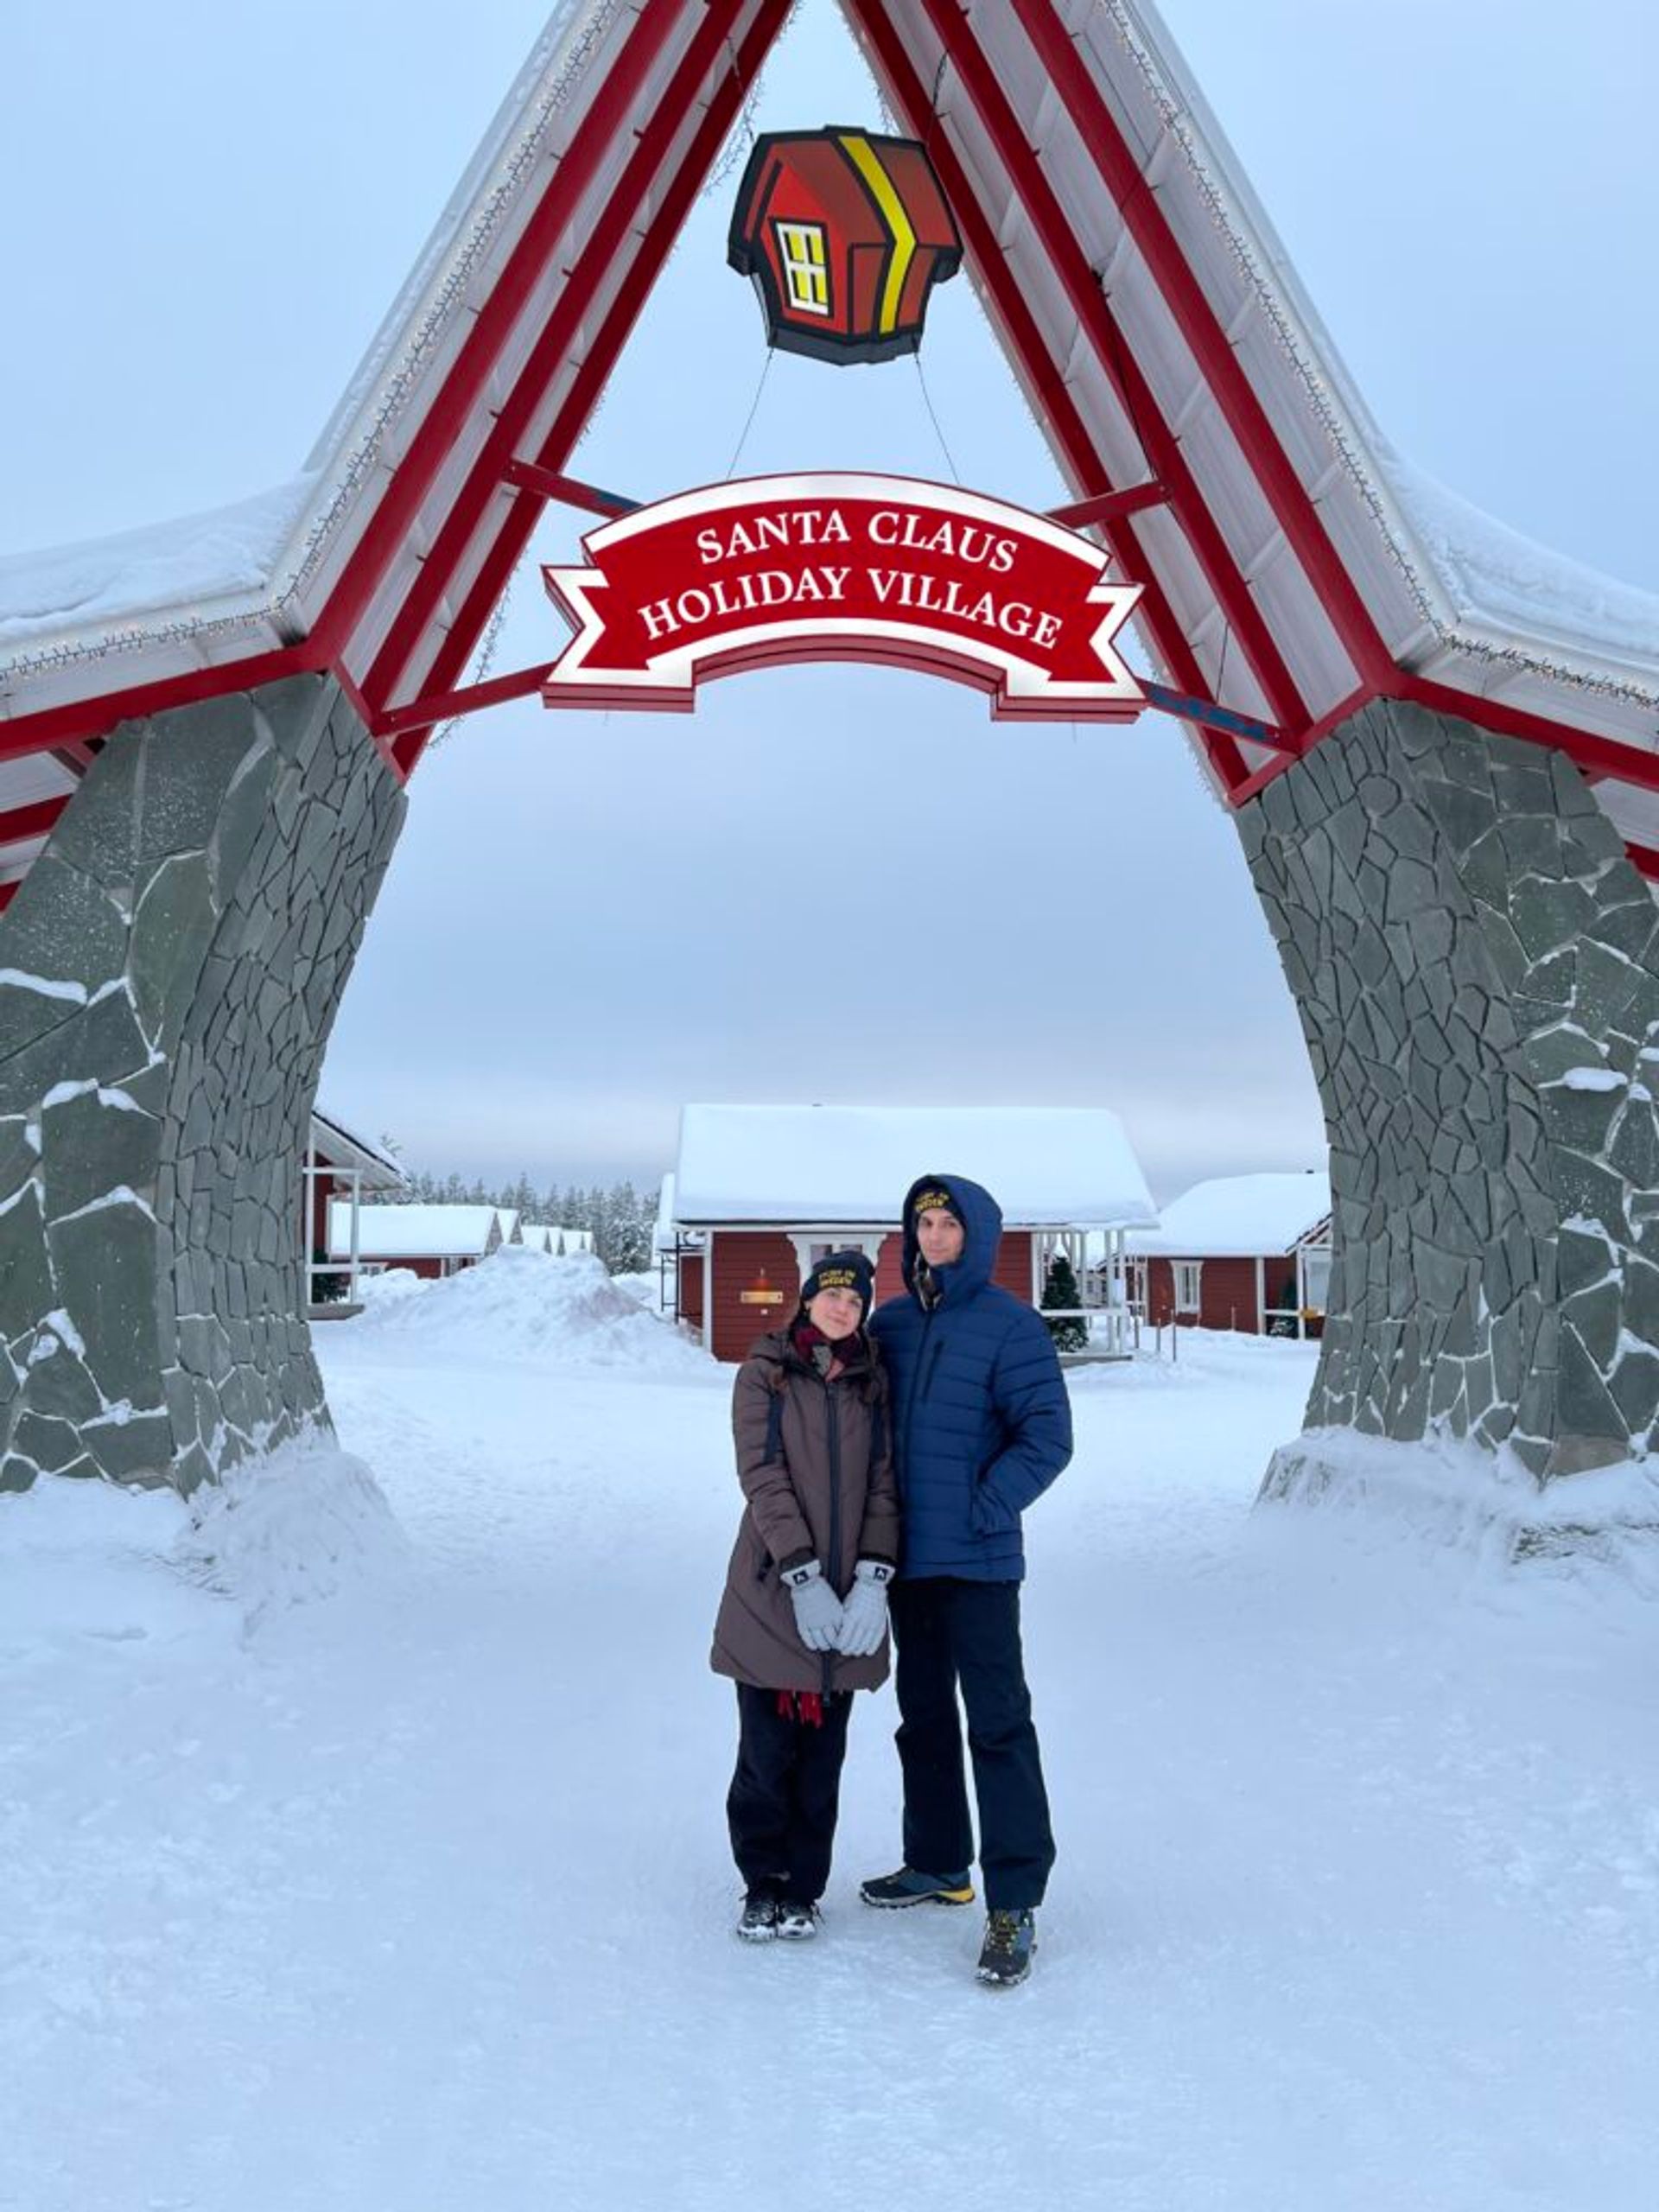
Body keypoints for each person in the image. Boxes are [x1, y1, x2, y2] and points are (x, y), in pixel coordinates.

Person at [861, 1174, 1071, 1987]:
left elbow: (1047, 1437)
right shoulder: (892, 1323)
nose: (934, 1233)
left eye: (948, 1221)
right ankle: (939, 1862)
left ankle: (1013, 1899)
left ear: (977, 1233)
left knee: (997, 1725)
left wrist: (988, 1507)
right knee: (922, 1719)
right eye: (923, 1221)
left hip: (980, 1562)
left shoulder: (1010, 1327)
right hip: (909, 1560)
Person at [710, 1250, 899, 1942]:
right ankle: (762, 1883)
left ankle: (805, 1888)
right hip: (773, 1593)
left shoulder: (872, 1384)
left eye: (855, 1301)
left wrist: (874, 1577)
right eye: (832, 1295)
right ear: (808, 1299)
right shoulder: (765, 1375)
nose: (842, 1307)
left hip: (850, 1596)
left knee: (823, 1761)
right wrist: (802, 1574)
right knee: (766, 1754)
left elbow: (884, 1486)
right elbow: (762, 1477)